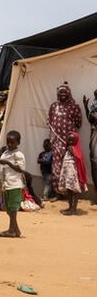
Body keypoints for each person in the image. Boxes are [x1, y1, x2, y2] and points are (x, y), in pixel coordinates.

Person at [48, 84, 86, 214]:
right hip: (56, 142)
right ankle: (59, 193)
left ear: (69, 93)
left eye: (64, 93)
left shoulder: (74, 107)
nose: (62, 95)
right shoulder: (53, 106)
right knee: (57, 168)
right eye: (60, 93)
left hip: (70, 144)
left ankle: (72, 201)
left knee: (71, 172)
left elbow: (79, 123)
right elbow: (50, 121)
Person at [0, 131, 26, 238]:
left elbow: (20, 169)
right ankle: (15, 229)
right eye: (8, 142)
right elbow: (1, 163)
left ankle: (11, 230)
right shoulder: (6, 153)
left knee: (13, 208)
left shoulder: (18, 155)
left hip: (14, 184)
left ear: (18, 143)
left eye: (12, 143)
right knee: (8, 208)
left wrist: (8, 163)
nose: (9, 145)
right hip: (6, 184)